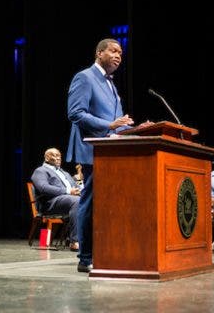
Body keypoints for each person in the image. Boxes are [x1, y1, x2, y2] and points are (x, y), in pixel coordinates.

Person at [66, 38, 149, 273]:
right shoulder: (85, 77)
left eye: (121, 53)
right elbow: (75, 113)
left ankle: (107, 252)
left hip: (111, 152)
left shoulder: (112, 85)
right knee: (90, 202)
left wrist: (138, 130)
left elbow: (118, 124)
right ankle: (85, 257)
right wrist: (110, 124)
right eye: (113, 51)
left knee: (108, 204)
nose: (118, 56)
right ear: (99, 53)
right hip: (92, 149)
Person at [31, 148, 82, 251]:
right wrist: (68, 191)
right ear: (46, 157)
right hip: (49, 203)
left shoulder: (64, 173)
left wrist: (83, 190)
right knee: (76, 201)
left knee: (91, 201)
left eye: (59, 155)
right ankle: (75, 241)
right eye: (54, 155)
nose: (58, 158)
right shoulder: (40, 171)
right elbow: (43, 188)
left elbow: (76, 186)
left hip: (66, 200)